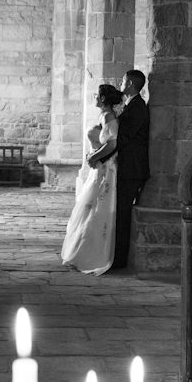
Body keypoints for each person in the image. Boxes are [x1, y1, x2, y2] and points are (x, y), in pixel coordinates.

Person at [61, 84, 124, 275]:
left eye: (97, 94)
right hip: (99, 167)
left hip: (105, 168)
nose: (95, 96)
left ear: (103, 99)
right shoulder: (104, 115)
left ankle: (92, 255)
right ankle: (81, 251)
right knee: (89, 207)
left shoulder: (108, 116)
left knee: (97, 208)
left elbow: (112, 144)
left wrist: (94, 157)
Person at [112, 69, 150, 270]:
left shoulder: (138, 108)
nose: (120, 84)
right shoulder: (131, 105)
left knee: (123, 213)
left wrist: (103, 149)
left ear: (130, 84)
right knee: (120, 211)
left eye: (123, 81)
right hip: (128, 168)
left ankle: (120, 259)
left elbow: (124, 137)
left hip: (132, 169)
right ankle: (116, 255)